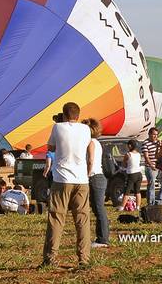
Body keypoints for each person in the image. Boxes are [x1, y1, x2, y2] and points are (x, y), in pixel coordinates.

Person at [41, 102, 92, 268]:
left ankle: (50, 258)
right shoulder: (86, 129)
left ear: (63, 116)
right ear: (78, 115)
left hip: (62, 179)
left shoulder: (58, 128)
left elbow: (51, 147)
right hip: (81, 179)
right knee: (82, 220)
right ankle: (84, 259)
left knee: (56, 218)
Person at [82, 118, 109, 248]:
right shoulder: (97, 142)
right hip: (98, 177)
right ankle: (101, 238)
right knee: (97, 208)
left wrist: (86, 175)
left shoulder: (91, 142)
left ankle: (103, 239)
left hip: (95, 177)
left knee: (99, 209)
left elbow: (90, 160)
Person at [140, 127, 160, 205]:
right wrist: (151, 165)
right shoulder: (145, 143)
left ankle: (158, 200)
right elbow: (146, 156)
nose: (155, 136)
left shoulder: (158, 142)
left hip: (158, 166)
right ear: (149, 134)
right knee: (151, 184)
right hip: (150, 167)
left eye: (156, 135)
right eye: (154, 134)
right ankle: (151, 202)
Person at [122, 139, 142, 211]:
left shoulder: (128, 154)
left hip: (131, 173)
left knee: (127, 191)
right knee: (137, 191)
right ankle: (138, 207)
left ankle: (122, 206)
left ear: (130, 146)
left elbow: (124, 164)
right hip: (139, 173)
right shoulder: (138, 154)